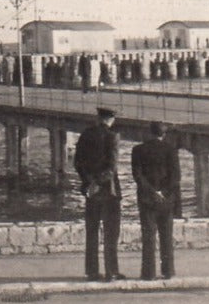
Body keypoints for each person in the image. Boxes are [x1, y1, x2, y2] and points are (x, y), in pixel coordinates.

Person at [74, 107, 124, 282]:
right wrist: (98, 182)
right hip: (108, 191)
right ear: (111, 120)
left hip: (91, 191)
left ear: (98, 117)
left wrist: (89, 181)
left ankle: (92, 272)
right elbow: (111, 168)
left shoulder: (86, 135)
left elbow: (77, 162)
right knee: (111, 232)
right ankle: (111, 271)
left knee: (92, 231)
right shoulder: (113, 136)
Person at [131, 121, 181, 280]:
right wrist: (163, 192)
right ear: (163, 134)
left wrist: (152, 192)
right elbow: (175, 177)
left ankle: (149, 273)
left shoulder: (138, 150)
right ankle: (168, 271)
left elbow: (138, 176)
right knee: (166, 235)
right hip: (166, 200)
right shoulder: (171, 150)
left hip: (147, 199)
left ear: (149, 132)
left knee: (148, 237)